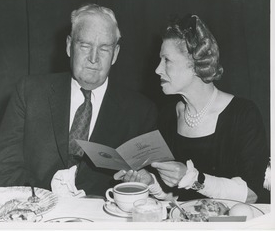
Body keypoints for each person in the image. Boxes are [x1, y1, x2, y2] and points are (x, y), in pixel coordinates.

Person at [0, 3, 158, 196]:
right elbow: (3, 163)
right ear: (69, 46)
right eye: (85, 45)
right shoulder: (30, 92)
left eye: (104, 49)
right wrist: (44, 198)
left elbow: (150, 184)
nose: (93, 58)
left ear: (115, 54)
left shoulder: (141, 111)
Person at [115, 14, 269, 203]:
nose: (157, 69)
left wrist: (193, 179)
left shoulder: (243, 114)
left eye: (166, 60)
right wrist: (151, 183)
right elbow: (179, 199)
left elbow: (251, 193)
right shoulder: (168, 116)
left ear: (195, 64)